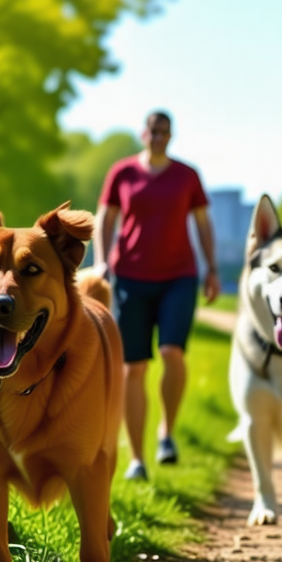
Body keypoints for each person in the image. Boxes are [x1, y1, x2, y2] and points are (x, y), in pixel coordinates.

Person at [91, 110, 220, 481]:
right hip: (130, 276)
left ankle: (167, 432)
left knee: (171, 352)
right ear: (143, 133)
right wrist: (101, 261)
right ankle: (137, 459)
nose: (159, 137)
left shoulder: (187, 176)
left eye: (165, 131)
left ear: (171, 135)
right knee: (134, 367)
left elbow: (203, 222)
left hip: (178, 276)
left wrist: (211, 267)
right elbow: (105, 217)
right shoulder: (122, 173)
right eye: (153, 131)